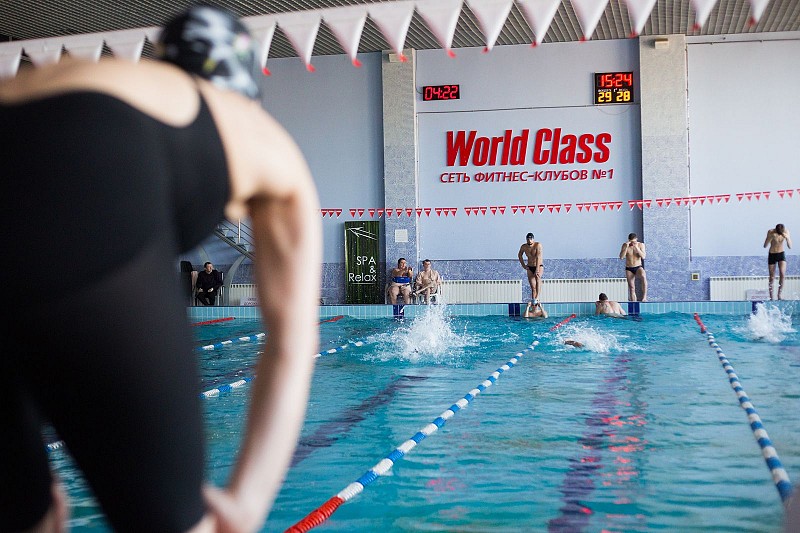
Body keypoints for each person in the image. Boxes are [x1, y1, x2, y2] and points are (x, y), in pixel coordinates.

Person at [1, 6, 321, 533]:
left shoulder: (105, 78)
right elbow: (292, 341)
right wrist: (246, 502)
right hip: (94, 177)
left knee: (23, 514)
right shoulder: (261, 134)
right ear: (245, 84)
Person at [764, 223, 792, 300]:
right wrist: (770, 238)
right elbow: (765, 245)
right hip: (772, 254)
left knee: (782, 274)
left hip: (781, 254)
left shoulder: (786, 232)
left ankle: (779, 295)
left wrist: (787, 238)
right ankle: (771, 297)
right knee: (772, 276)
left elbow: (790, 246)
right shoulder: (770, 232)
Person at [619, 232, 647, 301]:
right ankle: (634, 302)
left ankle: (644, 297)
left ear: (636, 239)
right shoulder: (625, 245)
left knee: (643, 276)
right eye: (631, 242)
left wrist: (636, 248)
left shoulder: (641, 245)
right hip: (629, 268)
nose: (632, 243)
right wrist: (626, 247)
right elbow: (621, 257)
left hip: (638, 267)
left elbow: (643, 257)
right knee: (631, 287)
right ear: (629, 240)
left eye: (634, 242)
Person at [518, 232, 543, 303]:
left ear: (533, 239)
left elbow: (538, 257)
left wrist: (537, 269)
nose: (529, 240)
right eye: (528, 239)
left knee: (538, 278)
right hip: (529, 266)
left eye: (531, 239)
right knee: (533, 287)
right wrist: (523, 265)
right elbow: (520, 255)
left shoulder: (538, 245)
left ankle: (537, 297)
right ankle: (533, 301)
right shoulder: (524, 246)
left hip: (539, 266)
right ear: (526, 239)